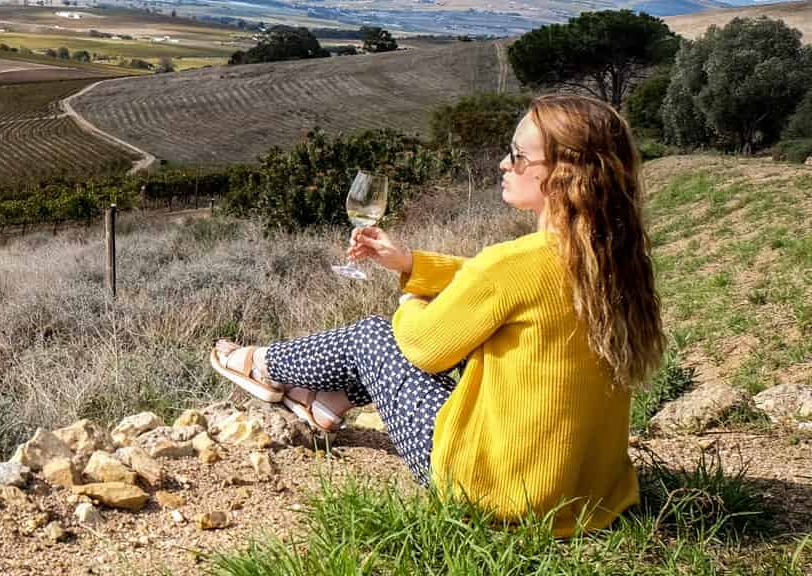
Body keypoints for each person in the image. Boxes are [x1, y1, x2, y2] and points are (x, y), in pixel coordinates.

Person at [210, 94, 665, 536]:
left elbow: (425, 349)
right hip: (589, 495)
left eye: (518, 156)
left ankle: (261, 365)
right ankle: (325, 403)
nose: (504, 164)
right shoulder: (612, 261)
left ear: (564, 174)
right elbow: (491, 285)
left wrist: (412, 302)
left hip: (492, 491)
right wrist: (410, 264)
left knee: (373, 336)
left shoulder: (513, 264)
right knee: (391, 341)